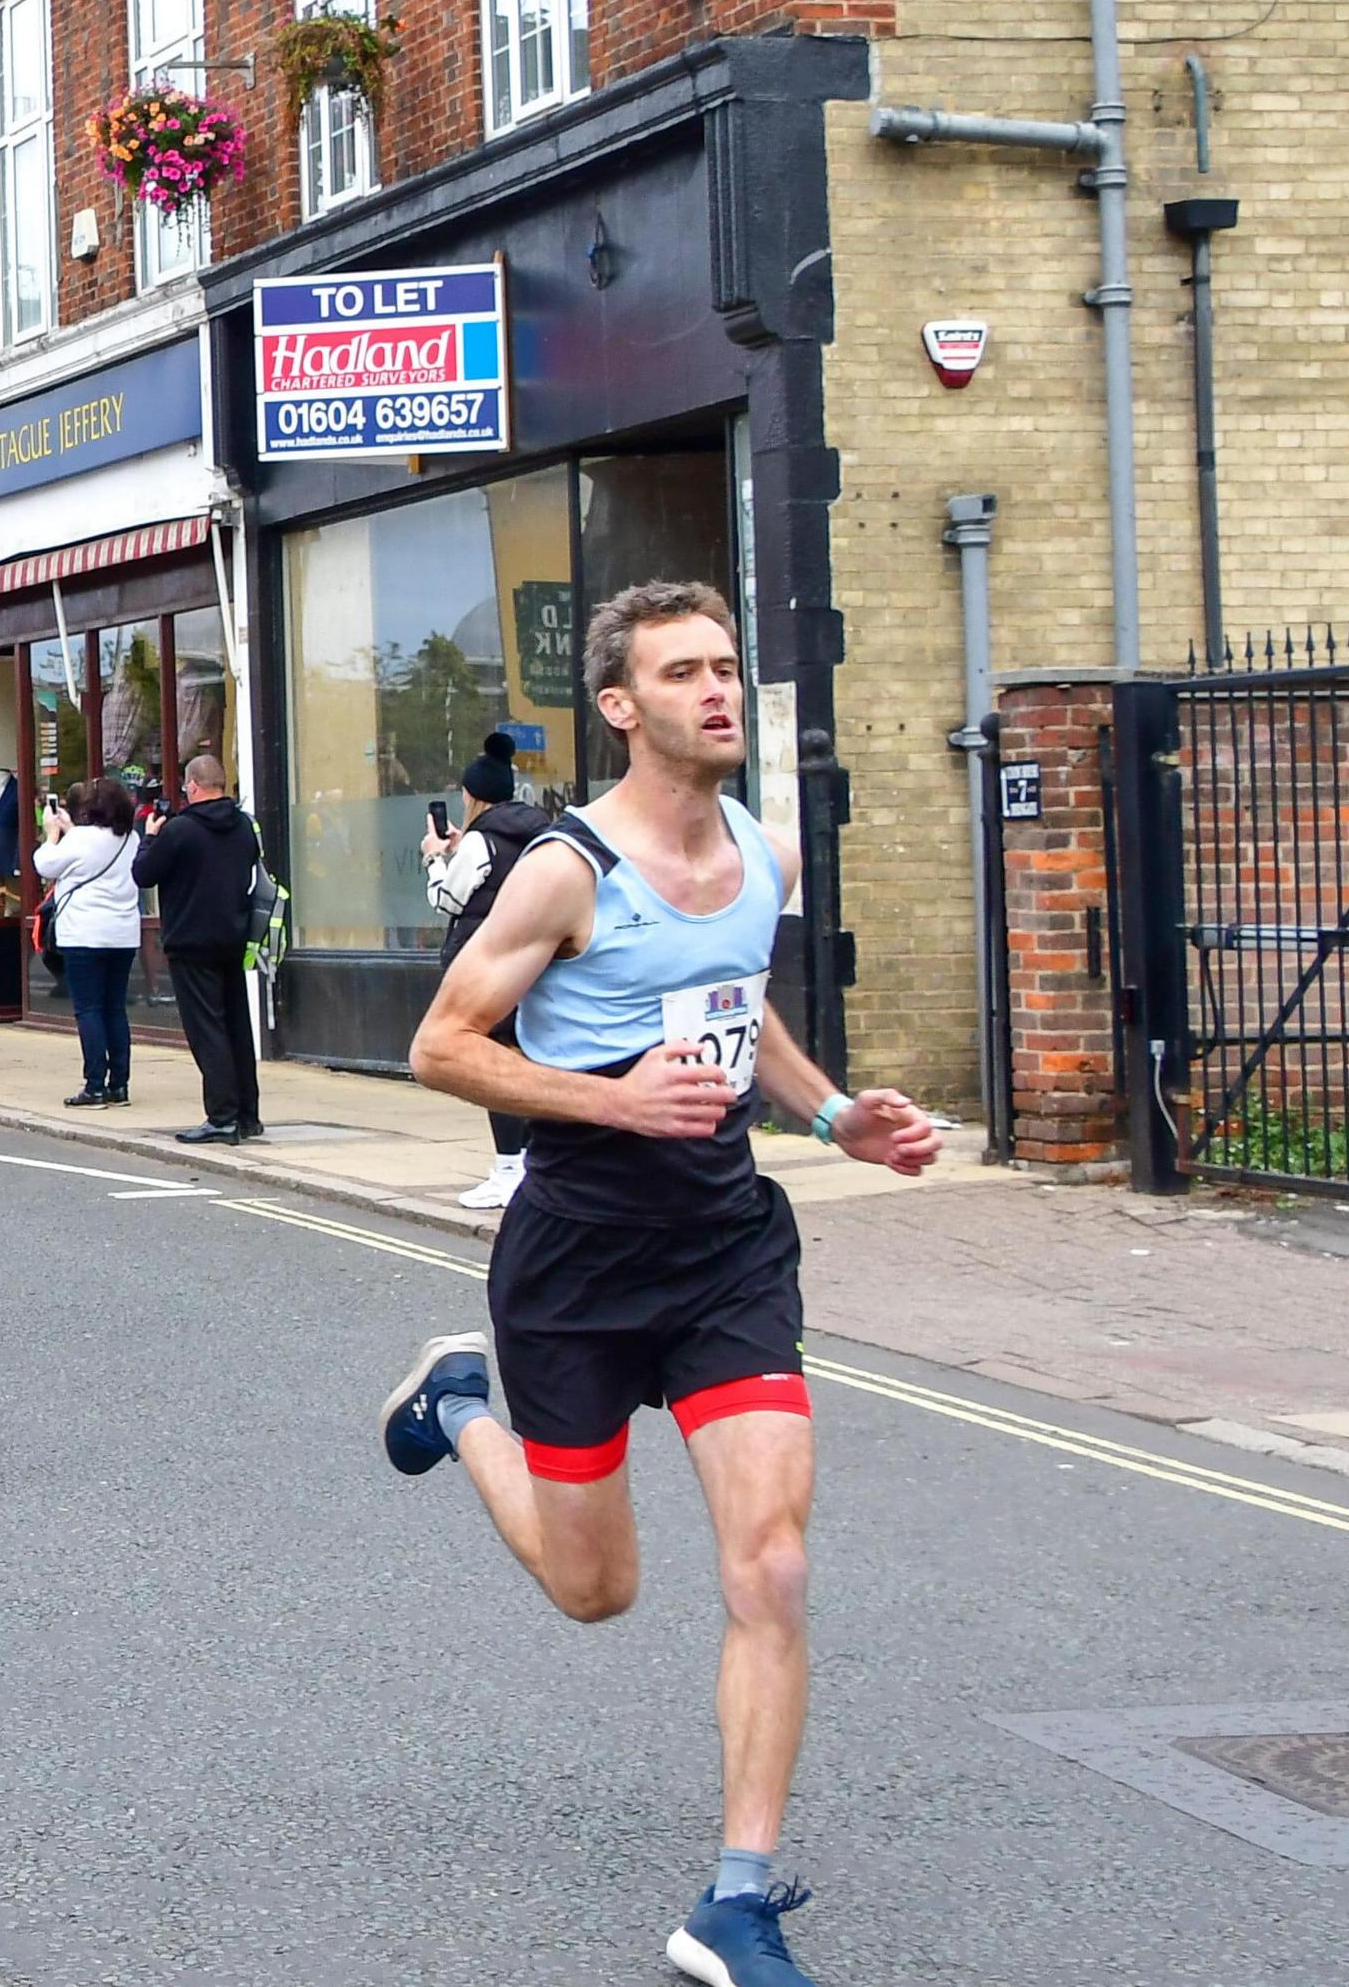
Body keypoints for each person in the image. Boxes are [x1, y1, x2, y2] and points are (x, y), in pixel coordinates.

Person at [388, 582, 939, 1987]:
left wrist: (830, 1119)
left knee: (777, 1562)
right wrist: (609, 1102)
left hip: (723, 1248)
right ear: (622, 707)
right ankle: (459, 1405)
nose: (716, 689)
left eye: (727, 667)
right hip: (576, 1256)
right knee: (597, 1592)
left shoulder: (764, 851)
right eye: (684, 671)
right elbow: (444, 1048)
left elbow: (737, 1010)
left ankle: (736, 1899)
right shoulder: (566, 871)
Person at [426, 731, 556, 1209]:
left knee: (492, 1065)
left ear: (473, 795)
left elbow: (448, 899)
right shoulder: (537, 831)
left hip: (485, 962)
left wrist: (436, 859)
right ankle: (531, 1166)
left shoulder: (481, 840)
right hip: (533, 961)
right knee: (525, 1059)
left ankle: (507, 1170)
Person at [132, 750, 264, 1144]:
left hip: (191, 942)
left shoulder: (180, 830)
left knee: (207, 1029)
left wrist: (149, 838)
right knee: (237, 1026)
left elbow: (144, 874)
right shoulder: (243, 826)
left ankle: (221, 1117)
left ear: (192, 786)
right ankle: (247, 1115)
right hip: (232, 937)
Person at [35, 778, 146, 1108]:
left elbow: (45, 863)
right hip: (123, 934)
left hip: (83, 933)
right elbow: (91, 852)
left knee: (89, 1009)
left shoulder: (80, 839)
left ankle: (94, 1085)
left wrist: (51, 834)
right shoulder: (131, 838)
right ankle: (119, 1084)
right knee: (115, 1008)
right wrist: (70, 831)